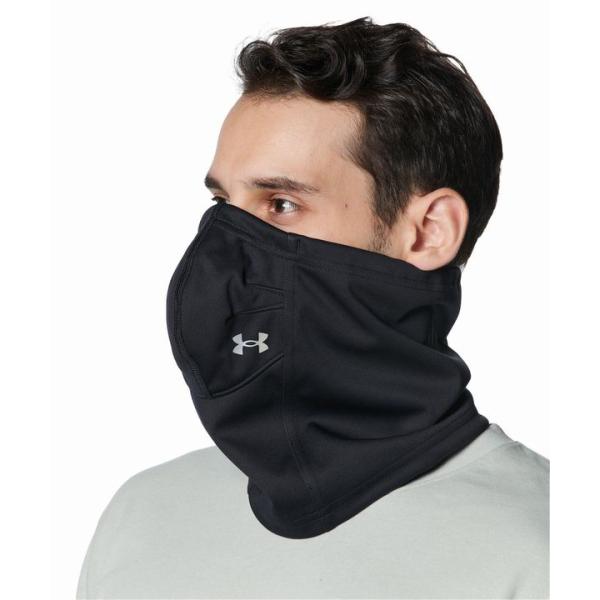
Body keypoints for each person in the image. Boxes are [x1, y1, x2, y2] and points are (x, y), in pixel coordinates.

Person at [76, 16, 549, 599]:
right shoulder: (143, 517)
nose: (224, 251)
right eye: (223, 203)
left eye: (281, 203)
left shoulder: (547, 551)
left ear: (430, 231)